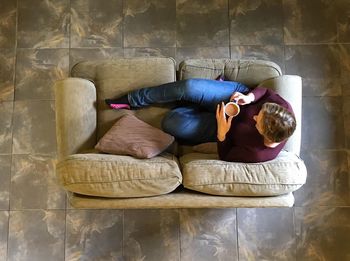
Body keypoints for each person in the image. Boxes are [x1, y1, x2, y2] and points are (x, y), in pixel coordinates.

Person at [105, 78, 296, 163]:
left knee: (170, 123)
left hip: (221, 127)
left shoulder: (257, 154)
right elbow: (267, 92)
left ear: (266, 135)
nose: (255, 116)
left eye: (257, 121)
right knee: (188, 87)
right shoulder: (283, 110)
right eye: (259, 112)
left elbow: (227, 155)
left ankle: (200, 102)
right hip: (234, 97)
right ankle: (133, 100)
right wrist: (250, 98)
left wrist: (222, 133)